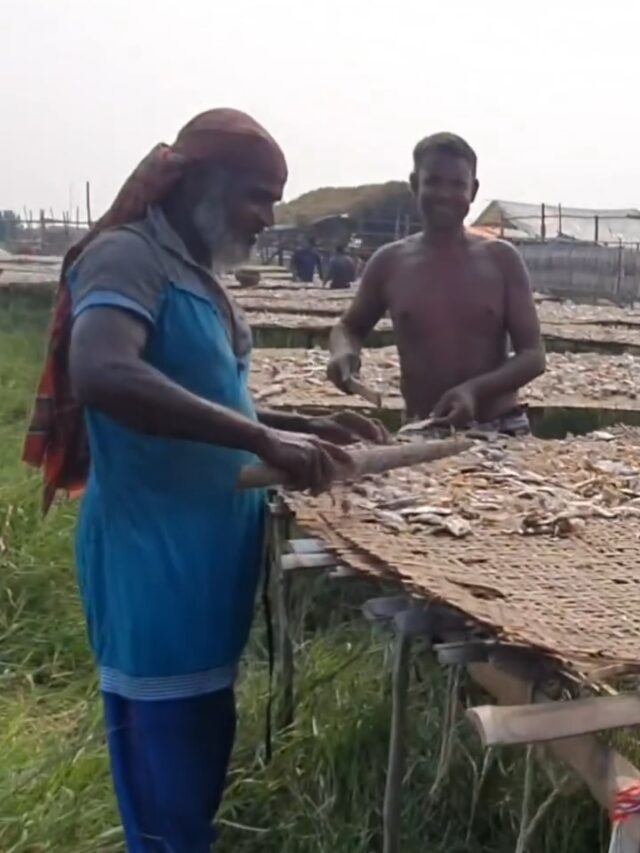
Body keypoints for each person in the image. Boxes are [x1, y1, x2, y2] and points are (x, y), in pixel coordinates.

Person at [23, 108, 386, 852]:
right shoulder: (128, 258)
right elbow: (105, 371)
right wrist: (260, 436)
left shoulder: (198, 276)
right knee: (167, 799)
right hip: (153, 567)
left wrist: (302, 426)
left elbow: (213, 395)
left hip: (203, 563)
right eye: (257, 195)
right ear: (199, 185)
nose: (268, 216)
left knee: (194, 773)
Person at [327, 132, 545, 434]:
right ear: (415, 185)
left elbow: (533, 356)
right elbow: (348, 327)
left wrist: (473, 391)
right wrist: (343, 353)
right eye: (433, 182)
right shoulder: (389, 262)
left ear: (473, 190)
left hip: (501, 428)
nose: (444, 194)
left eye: (457, 185)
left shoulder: (501, 260)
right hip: (425, 428)